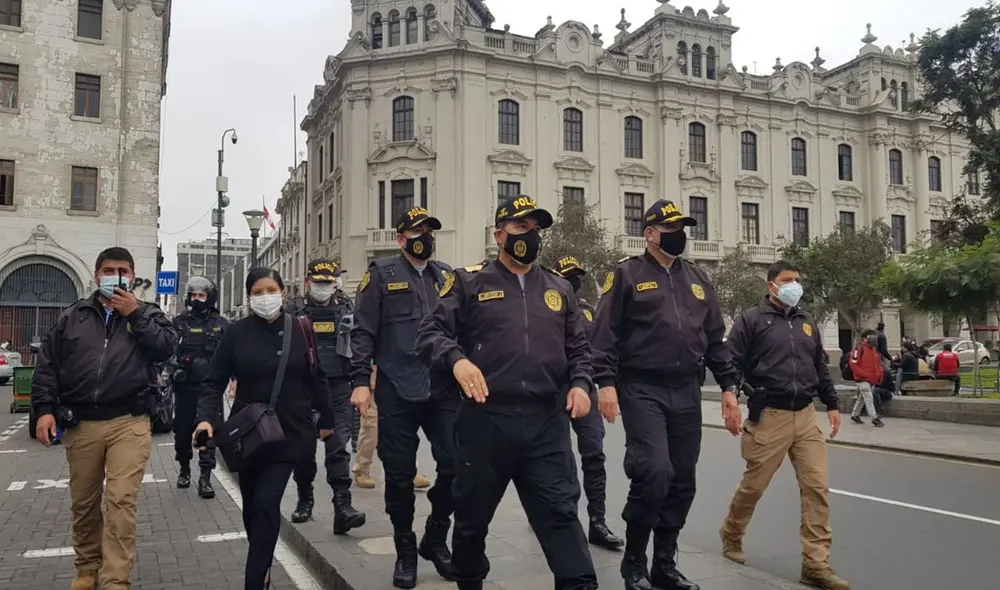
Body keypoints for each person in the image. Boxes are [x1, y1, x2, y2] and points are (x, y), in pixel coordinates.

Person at [416, 195, 597, 590]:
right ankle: (469, 580)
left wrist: (582, 385)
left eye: (535, 229)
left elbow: (579, 349)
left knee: (561, 515)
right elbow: (429, 333)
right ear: (499, 234)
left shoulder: (559, 288)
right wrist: (457, 360)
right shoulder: (469, 281)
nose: (530, 236)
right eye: (520, 228)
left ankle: (579, 583)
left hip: (545, 423)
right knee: (471, 520)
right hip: (487, 421)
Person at [590, 199, 737, 590]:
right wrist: (605, 383)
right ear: (650, 234)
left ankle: (664, 563)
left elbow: (715, 339)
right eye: (671, 228)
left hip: (687, 389)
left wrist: (729, 388)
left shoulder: (699, 279)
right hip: (642, 388)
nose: (680, 235)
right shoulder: (626, 275)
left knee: (682, 481)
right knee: (655, 473)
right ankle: (634, 560)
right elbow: (604, 335)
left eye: (683, 227)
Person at [31, 247, 178, 590]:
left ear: (133, 275)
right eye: (109, 270)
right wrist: (44, 410)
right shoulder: (74, 316)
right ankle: (87, 568)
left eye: (124, 270)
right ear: (97, 276)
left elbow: (166, 348)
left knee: (121, 500)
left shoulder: (148, 314)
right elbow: (48, 367)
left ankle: (115, 579)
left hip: (129, 421)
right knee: (83, 503)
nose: (117, 275)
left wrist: (134, 315)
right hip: (82, 424)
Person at [194, 268, 337, 590]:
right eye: (257, 292)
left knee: (266, 503)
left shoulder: (302, 328)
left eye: (270, 289)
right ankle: (263, 562)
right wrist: (205, 419)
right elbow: (213, 382)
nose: (264, 297)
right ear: (249, 296)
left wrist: (327, 420)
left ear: (283, 291)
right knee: (252, 508)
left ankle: (255, 580)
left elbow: (318, 377)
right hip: (250, 435)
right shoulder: (236, 333)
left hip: (291, 433)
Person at [719, 260, 849, 590]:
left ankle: (816, 565)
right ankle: (731, 534)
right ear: (771, 285)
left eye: (798, 280)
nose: (795, 286)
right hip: (770, 416)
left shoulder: (807, 321)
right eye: (788, 280)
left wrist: (832, 404)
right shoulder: (751, 320)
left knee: (817, 489)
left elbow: (819, 365)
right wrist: (731, 397)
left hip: (806, 415)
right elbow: (729, 361)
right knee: (754, 486)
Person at [350, 206, 458, 588]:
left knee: (458, 465)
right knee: (398, 475)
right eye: (417, 230)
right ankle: (406, 549)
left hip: (443, 386)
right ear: (401, 238)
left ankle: (435, 535)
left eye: (430, 230)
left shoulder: (446, 276)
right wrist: (361, 380)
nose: (425, 236)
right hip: (398, 386)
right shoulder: (381, 276)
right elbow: (362, 331)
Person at [287, 259, 366, 533]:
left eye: (328, 283)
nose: (323, 288)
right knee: (304, 449)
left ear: (336, 283)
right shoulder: (293, 310)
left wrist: (362, 380)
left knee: (338, 447)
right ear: (308, 282)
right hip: (304, 389)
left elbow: (359, 344)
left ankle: (343, 505)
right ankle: (304, 499)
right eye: (318, 283)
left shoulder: (347, 308)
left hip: (338, 387)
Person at [554, 255, 624, 550]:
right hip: (554, 390)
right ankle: (558, 516)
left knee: (594, 455)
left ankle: (597, 521)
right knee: (557, 458)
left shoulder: (588, 311)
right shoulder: (544, 306)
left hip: (586, 387)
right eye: (569, 275)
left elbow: (602, 348)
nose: (575, 281)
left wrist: (609, 385)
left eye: (577, 275)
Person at [171, 276, 228, 499]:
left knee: (208, 431)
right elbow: (168, 352)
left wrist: (234, 380)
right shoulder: (179, 323)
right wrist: (175, 367)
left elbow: (230, 356)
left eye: (201, 296)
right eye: (193, 296)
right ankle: (184, 468)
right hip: (184, 387)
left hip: (210, 389)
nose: (197, 300)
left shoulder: (221, 324)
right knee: (183, 431)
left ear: (209, 298)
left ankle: (205, 478)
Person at [849, 330, 885, 427]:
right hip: (862, 379)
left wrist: (879, 375)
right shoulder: (859, 349)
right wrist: (864, 375)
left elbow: (878, 364)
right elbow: (853, 364)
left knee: (862, 397)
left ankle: (855, 415)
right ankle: (874, 418)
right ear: (864, 338)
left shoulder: (874, 349)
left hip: (871, 379)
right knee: (869, 397)